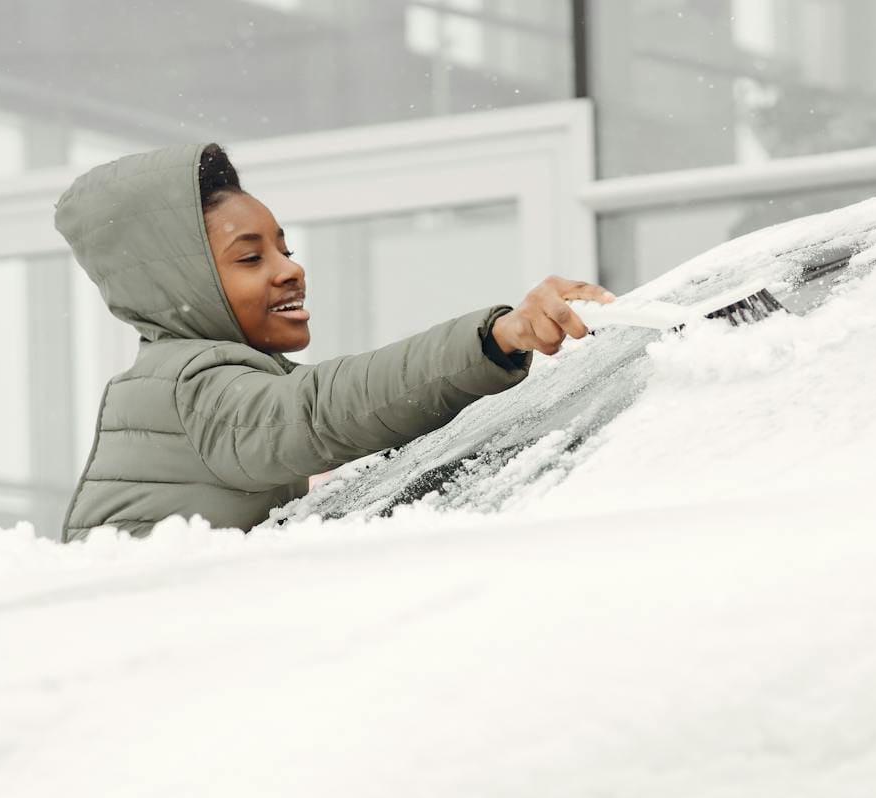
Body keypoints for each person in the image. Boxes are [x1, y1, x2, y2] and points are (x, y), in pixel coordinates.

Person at [54, 142, 612, 539]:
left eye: (285, 250)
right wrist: (496, 336)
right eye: (250, 257)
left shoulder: (216, 382)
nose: (290, 271)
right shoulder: (190, 386)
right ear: (178, 285)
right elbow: (322, 412)